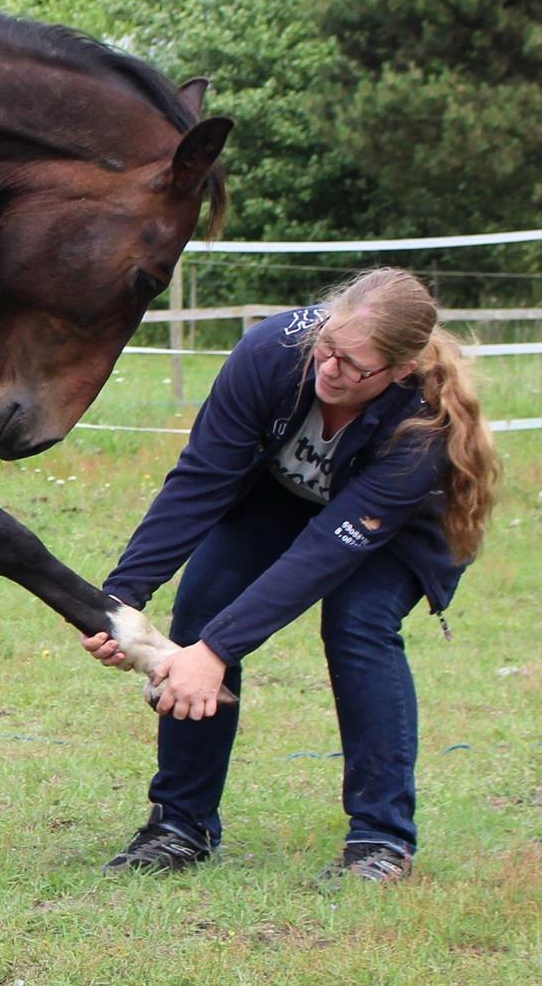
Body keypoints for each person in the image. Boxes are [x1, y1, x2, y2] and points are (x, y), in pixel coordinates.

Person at [82, 267, 498, 883]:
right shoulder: (273, 351)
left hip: (394, 527)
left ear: (399, 370)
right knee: (202, 604)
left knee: (358, 624)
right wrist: (122, 601)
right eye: (326, 348)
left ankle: (381, 841)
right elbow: (201, 479)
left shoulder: (423, 425)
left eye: (351, 365)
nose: (329, 368)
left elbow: (324, 555)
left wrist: (216, 652)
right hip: (278, 496)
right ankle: (180, 825)